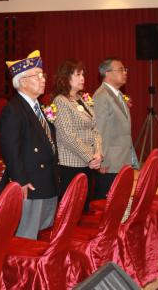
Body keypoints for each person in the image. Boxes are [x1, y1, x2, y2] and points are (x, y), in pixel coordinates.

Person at [0, 50, 58, 239]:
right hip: (30, 185)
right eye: (37, 75)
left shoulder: (38, 107)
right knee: (27, 237)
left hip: (48, 181)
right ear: (22, 82)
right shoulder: (13, 110)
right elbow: (11, 149)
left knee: (45, 235)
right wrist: (20, 181)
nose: (43, 79)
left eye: (43, 75)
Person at [51, 59, 103, 209]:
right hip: (71, 165)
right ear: (66, 77)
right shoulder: (61, 101)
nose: (83, 78)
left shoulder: (82, 99)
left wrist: (98, 153)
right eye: (78, 74)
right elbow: (68, 136)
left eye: (83, 74)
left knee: (84, 207)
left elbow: (95, 128)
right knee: (72, 210)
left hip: (89, 163)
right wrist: (90, 157)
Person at [92, 57, 135, 200]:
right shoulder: (101, 96)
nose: (125, 73)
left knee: (120, 202)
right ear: (107, 73)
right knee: (106, 204)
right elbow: (100, 130)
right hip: (110, 163)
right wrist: (103, 160)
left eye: (125, 69)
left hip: (122, 159)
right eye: (121, 69)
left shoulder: (118, 94)